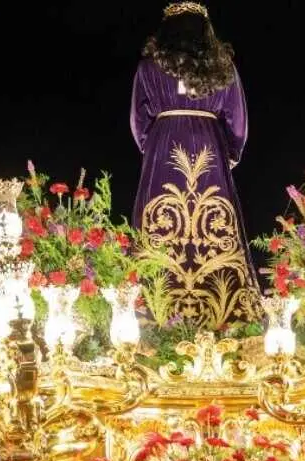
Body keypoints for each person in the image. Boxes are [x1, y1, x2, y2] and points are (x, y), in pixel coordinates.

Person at [130, 2, 262, 330]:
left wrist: (153, 149)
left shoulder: (150, 68)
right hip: (209, 148)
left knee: (160, 221)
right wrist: (231, 152)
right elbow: (237, 118)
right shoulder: (223, 68)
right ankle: (225, 315)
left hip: (165, 148)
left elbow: (138, 118)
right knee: (214, 221)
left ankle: (155, 314)